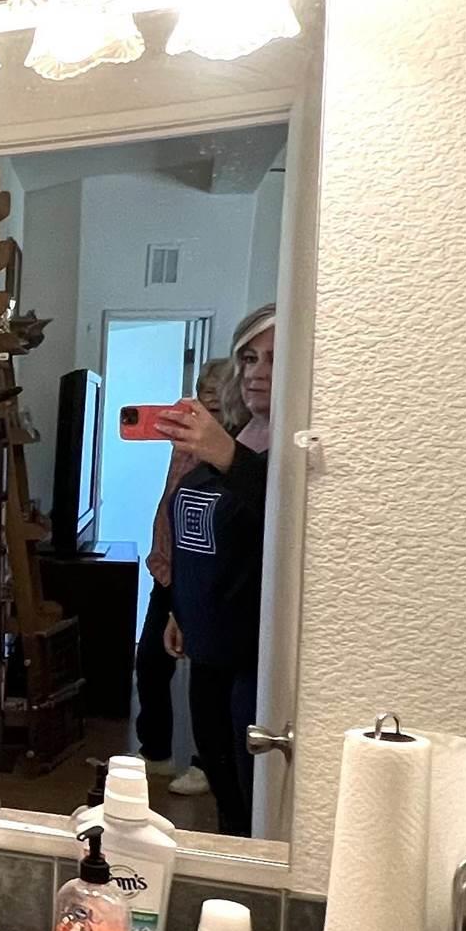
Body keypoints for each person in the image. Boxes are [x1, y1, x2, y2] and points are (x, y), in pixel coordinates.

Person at [159, 306, 276, 830]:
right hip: (204, 643)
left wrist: (226, 456)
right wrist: (177, 610)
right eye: (249, 358)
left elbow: (284, 521)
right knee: (225, 793)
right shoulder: (237, 435)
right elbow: (196, 540)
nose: (257, 371)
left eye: (275, 358)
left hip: (251, 653)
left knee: (251, 799)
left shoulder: (289, 451)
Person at [137, 356, 243, 797]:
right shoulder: (185, 445)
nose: (206, 414)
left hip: (206, 578)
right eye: (201, 401)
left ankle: (205, 762)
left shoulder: (239, 454)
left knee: (207, 677)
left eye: (217, 408)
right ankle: (155, 754)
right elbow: (174, 507)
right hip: (170, 569)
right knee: (149, 662)